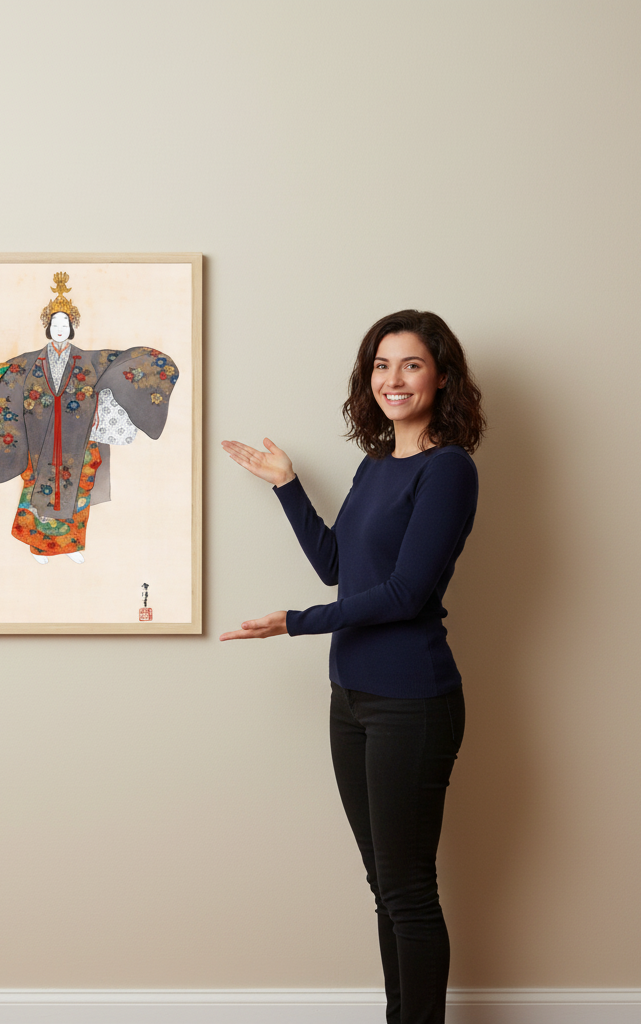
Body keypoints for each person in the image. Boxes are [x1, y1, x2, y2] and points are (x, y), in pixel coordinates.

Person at [221, 310, 485, 1024]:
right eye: (380, 366)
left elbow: (403, 595)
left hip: (414, 701)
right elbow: (342, 568)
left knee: (408, 890)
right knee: (385, 885)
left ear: (441, 376)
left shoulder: (449, 469)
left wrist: (293, 623)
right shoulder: (376, 466)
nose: (392, 380)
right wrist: (287, 486)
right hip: (353, 698)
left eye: (410, 365)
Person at [0, 272, 180, 563]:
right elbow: (5, 376)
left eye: (64, 324)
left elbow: (120, 367)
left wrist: (105, 402)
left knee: (79, 488)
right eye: (54, 324)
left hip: (76, 438)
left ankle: (73, 545)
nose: (59, 328)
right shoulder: (29, 362)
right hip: (39, 436)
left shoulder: (90, 360)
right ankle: (37, 546)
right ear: (47, 327)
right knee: (35, 489)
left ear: (72, 327)